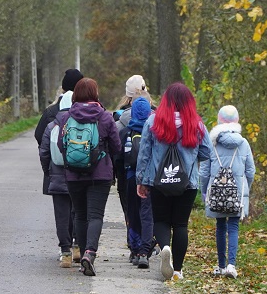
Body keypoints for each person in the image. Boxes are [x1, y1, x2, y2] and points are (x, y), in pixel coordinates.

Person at [135, 82, 212, 281]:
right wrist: (190, 156)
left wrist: (141, 180)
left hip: (158, 181)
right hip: (187, 183)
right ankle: (177, 271)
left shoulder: (153, 121)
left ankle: (165, 247)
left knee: (160, 220)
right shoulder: (196, 124)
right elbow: (207, 152)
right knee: (180, 224)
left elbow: (144, 153)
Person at [55, 78, 122, 276]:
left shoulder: (67, 117)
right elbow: (117, 146)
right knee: (95, 215)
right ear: (95, 94)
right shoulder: (105, 117)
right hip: (100, 175)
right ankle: (89, 253)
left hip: (74, 174)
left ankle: (83, 253)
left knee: (80, 214)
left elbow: (61, 145)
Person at [200, 105, 255, 279]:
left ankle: (221, 266)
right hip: (237, 193)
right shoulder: (243, 143)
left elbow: (204, 172)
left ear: (219, 121)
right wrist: (245, 189)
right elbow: (250, 171)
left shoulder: (212, 143)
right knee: (233, 226)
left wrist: (205, 191)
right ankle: (232, 265)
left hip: (216, 192)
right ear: (237, 121)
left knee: (220, 226)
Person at [117, 95, 155, 268]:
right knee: (147, 214)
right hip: (149, 178)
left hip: (130, 178)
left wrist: (119, 176)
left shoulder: (125, 132)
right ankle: (144, 252)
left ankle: (134, 248)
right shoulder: (153, 131)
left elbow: (118, 158)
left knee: (132, 214)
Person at [39, 92, 75, 267]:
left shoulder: (52, 126)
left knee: (61, 216)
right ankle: (78, 246)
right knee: (78, 213)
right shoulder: (83, 124)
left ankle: (65, 252)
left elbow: (44, 152)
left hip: (58, 176)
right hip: (78, 177)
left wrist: (48, 172)